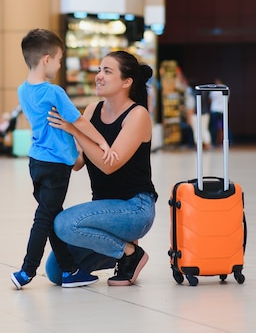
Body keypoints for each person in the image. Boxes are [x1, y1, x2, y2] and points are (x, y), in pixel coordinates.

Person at [11, 29, 118, 290]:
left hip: (36, 163)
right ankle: (27, 271)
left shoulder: (23, 91)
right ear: (46, 59)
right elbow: (79, 120)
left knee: (51, 215)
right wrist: (102, 142)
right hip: (56, 165)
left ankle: (70, 270)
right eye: (59, 60)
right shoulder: (54, 92)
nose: (60, 65)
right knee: (44, 218)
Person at [46, 50, 158, 287]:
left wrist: (75, 129)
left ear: (127, 82)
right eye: (99, 70)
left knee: (64, 223)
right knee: (57, 270)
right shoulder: (92, 110)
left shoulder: (137, 115)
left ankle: (129, 253)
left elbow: (110, 164)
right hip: (104, 212)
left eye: (107, 71)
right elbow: (78, 162)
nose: (99, 76)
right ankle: (122, 249)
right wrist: (52, 135)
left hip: (135, 209)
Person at [209, 77, 225, 145]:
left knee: (214, 127)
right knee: (222, 127)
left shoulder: (214, 89)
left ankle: (214, 142)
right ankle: (223, 142)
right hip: (222, 110)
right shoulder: (225, 88)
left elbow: (210, 99)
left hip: (215, 110)